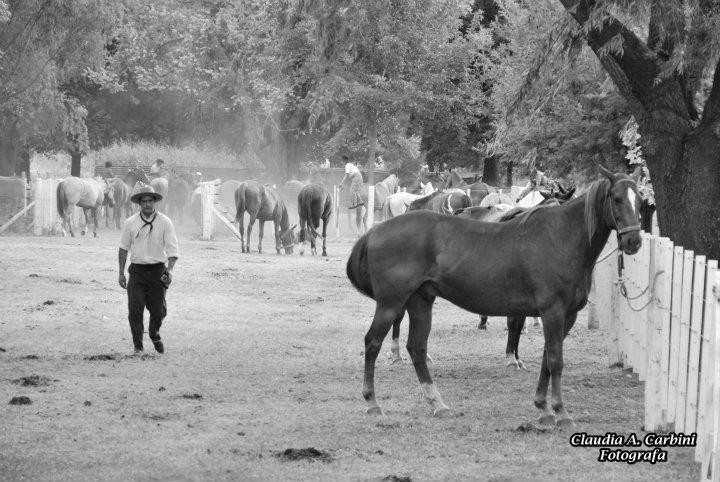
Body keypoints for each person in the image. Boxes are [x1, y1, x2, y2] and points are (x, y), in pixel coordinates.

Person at [118, 184, 179, 355]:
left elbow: (172, 250)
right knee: (135, 309)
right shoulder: (130, 223)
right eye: (143, 201)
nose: (147, 204)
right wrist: (121, 273)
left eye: (150, 200)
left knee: (159, 311)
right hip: (136, 272)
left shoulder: (165, 222)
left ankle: (154, 333)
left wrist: (170, 270)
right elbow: (123, 248)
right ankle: (138, 346)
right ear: (139, 203)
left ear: (155, 202)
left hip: (158, 271)